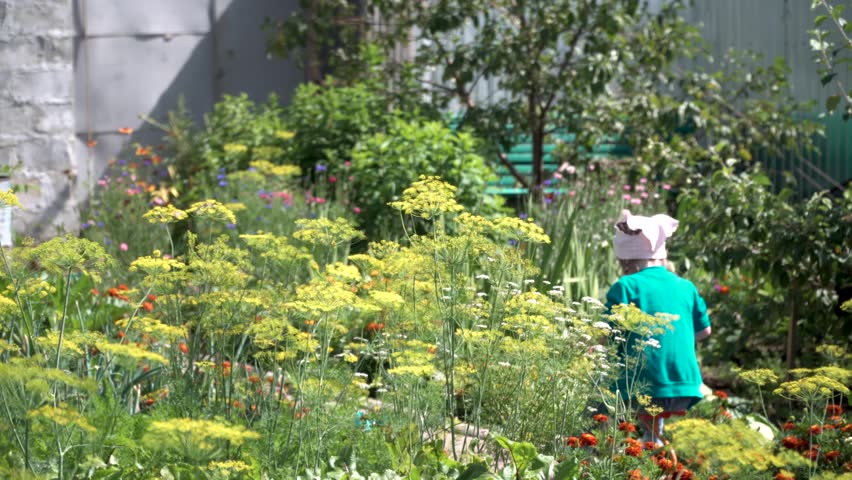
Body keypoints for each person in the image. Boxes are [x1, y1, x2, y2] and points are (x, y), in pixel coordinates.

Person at [605, 209, 712, 446]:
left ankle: (598, 459)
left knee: (596, 410)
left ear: (624, 260)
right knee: (651, 427)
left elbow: (608, 335)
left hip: (643, 389)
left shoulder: (625, 286)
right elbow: (704, 332)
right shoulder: (686, 286)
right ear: (662, 256)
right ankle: (653, 450)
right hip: (685, 388)